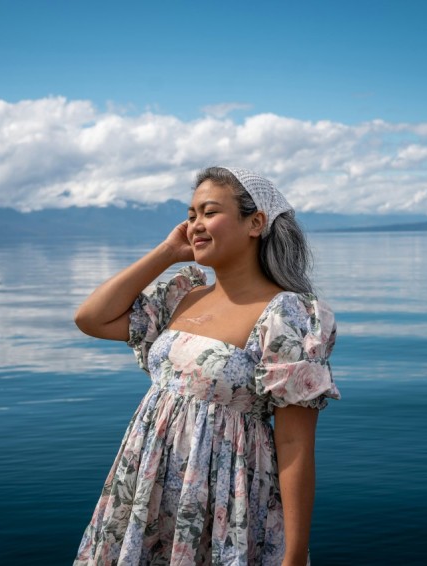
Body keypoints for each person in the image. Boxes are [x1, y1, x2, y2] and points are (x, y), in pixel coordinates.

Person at [73, 166, 340, 565]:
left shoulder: (286, 315)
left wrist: (295, 554)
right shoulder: (183, 295)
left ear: (256, 223)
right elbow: (91, 318)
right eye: (191, 213)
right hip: (147, 487)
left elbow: (294, 443)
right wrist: (166, 252)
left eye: (209, 212)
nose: (195, 224)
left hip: (223, 497)